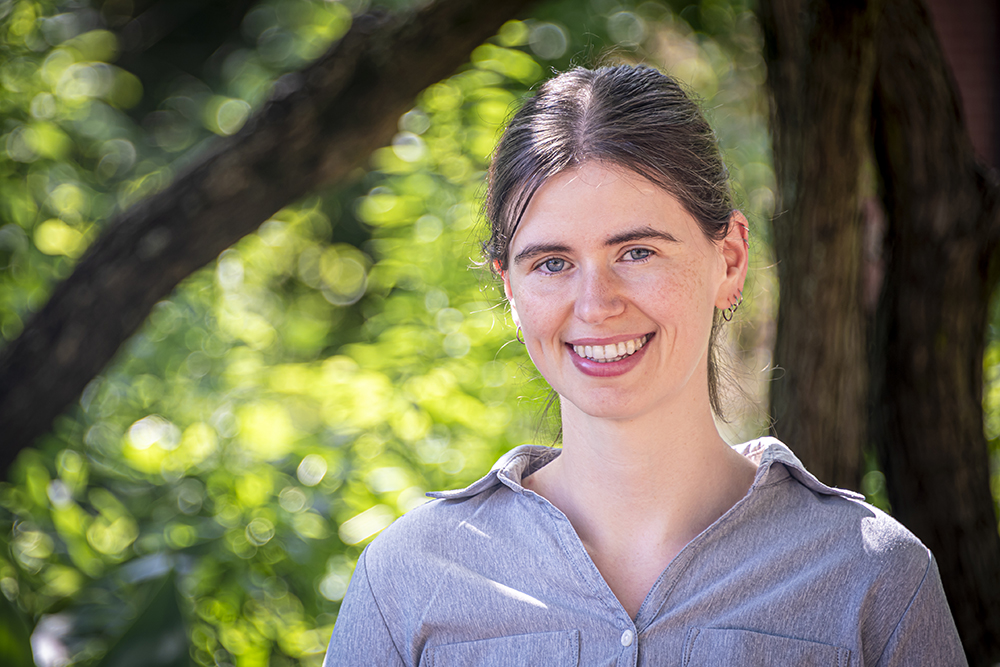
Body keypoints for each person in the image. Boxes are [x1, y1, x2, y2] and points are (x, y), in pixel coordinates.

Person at [323, 65, 966, 665]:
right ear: (511, 289)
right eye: (552, 263)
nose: (596, 305)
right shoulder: (409, 577)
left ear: (731, 259)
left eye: (636, 252)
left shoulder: (873, 577)